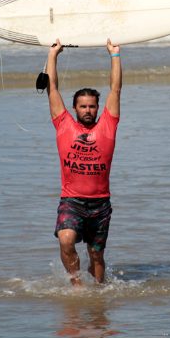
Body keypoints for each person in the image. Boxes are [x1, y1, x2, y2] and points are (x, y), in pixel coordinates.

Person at [46, 38, 122, 286]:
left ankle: (98, 295)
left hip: (100, 204)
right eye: (83, 106)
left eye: (92, 106)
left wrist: (114, 55)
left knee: (96, 254)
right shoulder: (63, 124)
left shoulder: (108, 124)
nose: (88, 110)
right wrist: (53, 55)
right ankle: (77, 287)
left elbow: (116, 90)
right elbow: (52, 88)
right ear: (75, 108)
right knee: (66, 239)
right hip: (72, 201)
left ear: (98, 107)